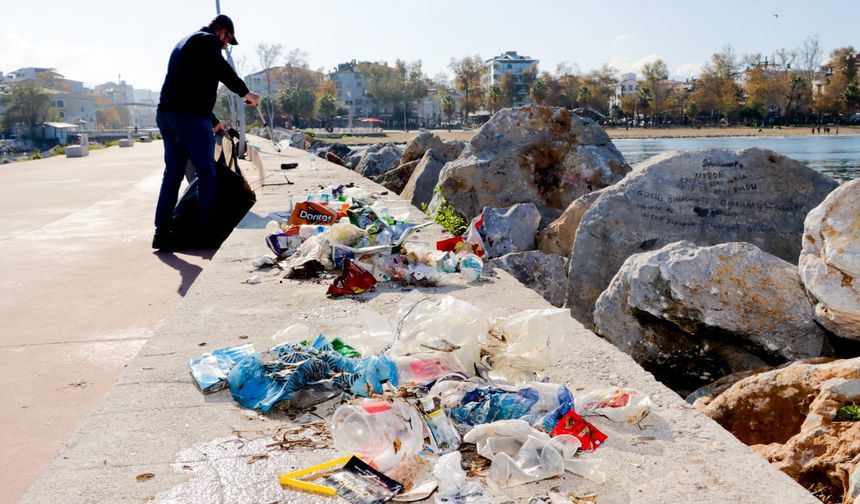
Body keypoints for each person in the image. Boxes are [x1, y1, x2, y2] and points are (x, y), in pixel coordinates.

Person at [153, 14, 260, 250]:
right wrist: (246, 94)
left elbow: (187, 85)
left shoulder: (185, 42)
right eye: (227, 42)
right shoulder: (208, 41)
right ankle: (210, 232)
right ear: (222, 33)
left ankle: (162, 233)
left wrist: (211, 119)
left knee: (172, 174)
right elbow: (222, 70)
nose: (224, 47)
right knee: (207, 173)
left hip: (168, 115)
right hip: (189, 118)